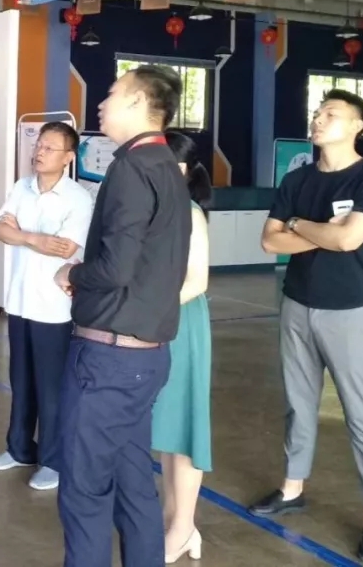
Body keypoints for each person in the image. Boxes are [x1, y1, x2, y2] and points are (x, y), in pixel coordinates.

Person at [52, 65, 191, 567]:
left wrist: (72, 272)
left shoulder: (132, 167)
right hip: (145, 359)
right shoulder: (166, 166)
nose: (101, 103)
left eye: (111, 93)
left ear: (137, 103)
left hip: (108, 362)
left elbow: (115, 267)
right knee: (133, 484)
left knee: (85, 489)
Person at [251, 89, 363, 563]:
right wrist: (322, 233)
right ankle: (293, 488)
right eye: (316, 112)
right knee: (298, 403)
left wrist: (297, 225)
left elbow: (350, 239)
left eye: (330, 113)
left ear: (357, 125)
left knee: (361, 412)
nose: (318, 118)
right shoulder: (298, 179)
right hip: (296, 303)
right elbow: (269, 243)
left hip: (347, 310)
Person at [0, 121, 92, 492]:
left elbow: (64, 248)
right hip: (20, 301)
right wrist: (33, 237)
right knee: (21, 381)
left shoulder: (78, 199)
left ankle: (53, 460)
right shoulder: (22, 187)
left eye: (49, 147)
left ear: (68, 157)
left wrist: (18, 234)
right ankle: (19, 449)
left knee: (51, 389)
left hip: (53, 308)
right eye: (39, 145)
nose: (39, 152)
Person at [151, 132, 213, 563]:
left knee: (185, 428)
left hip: (179, 323)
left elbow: (196, 281)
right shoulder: (157, 210)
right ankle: (174, 520)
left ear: (183, 170)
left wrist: (148, 314)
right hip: (154, 323)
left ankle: (184, 525)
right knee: (167, 427)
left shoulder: (190, 213)